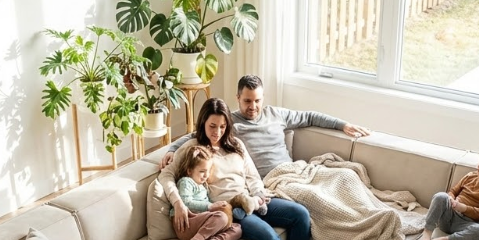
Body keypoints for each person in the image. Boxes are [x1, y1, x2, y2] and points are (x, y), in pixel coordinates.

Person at [160, 97, 323, 240]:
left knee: (300, 214)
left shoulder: (236, 145)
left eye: (222, 126)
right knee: (267, 234)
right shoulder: (193, 148)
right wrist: (179, 203)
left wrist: (259, 195)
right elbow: (166, 176)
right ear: (202, 124)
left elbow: (253, 176)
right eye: (212, 126)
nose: (217, 131)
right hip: (229, 209)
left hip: (251, 200)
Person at [159, 74, 371, 178]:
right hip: (271, 181)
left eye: (257, 100)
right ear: (238, 98)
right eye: (247, 101)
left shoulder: (276, 114)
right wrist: (171, 149)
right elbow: (195, 134)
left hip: (295, 172)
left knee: (346, 176)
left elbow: (309, 117)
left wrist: (342, 125)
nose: (253, 107)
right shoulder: (229, 122)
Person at [172, 145, 241, 240]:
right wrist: (211, 206)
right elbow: (185, 202)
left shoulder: (203, 186)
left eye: (208, 171)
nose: (206, 175)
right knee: (221, 217)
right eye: (202, 171)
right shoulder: (186, 182)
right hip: (185, 223)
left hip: (201, 224)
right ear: (189, 171)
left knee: (237, 230)